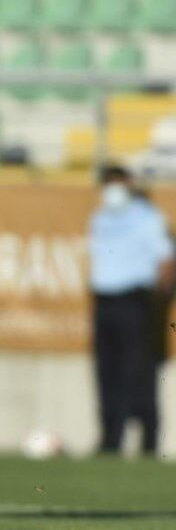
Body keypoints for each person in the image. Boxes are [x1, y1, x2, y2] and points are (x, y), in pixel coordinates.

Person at [89, 165, 173, 456]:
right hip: (105, 301)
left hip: (137, 302)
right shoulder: (100, 218)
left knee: (139, 373)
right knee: (106, 373)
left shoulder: (147, 217)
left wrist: (158, 302)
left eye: (116, 183)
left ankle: (148, 442)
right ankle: (110, 440)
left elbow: (166, 262)